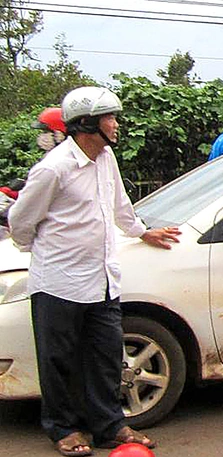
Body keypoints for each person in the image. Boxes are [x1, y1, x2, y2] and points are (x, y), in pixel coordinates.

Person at [8, 86, 181, 456]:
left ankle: (109, 426)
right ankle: (62, 429)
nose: (116, 125)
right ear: (87, 123)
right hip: (58, 282)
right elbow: (21, 221)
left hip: (101, 280)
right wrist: (44, 252)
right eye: (110, 118)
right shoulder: (53, 169)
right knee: (58, 360)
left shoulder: (105, 159)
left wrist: (142, 232)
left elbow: (121, 207)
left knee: (105, 357)